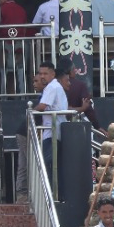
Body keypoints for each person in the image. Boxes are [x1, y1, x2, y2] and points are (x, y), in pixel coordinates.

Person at [33, 62, 69, 191]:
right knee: (52, 165)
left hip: (52, 132)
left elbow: (42, 106)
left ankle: (50, 193)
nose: (42, 76)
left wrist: (30, 112)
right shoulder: (54, 86)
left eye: (45, 73)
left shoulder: (52, 87)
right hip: (53, 130)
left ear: (52, 74)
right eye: (40, 73)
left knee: (48, 165)